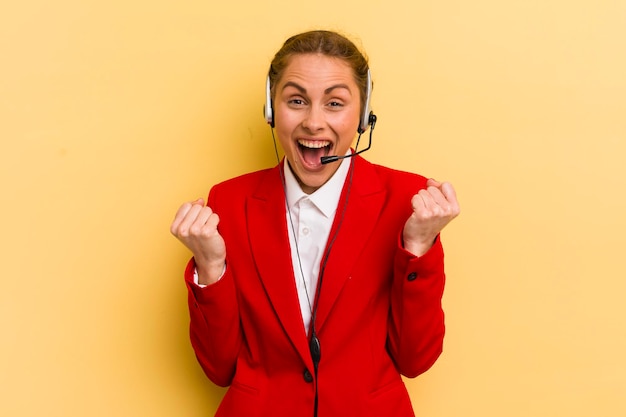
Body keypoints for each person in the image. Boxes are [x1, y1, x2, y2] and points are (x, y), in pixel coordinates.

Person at [170, 29, 460, 417]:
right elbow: (219, 369)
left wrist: (418, 248)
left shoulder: (407, 201)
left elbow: (415, 359)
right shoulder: (229, 201)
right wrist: (211, 268)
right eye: (296, 101)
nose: (313, 122)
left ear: (363, 113)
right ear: (271, 110)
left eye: (335, 103)